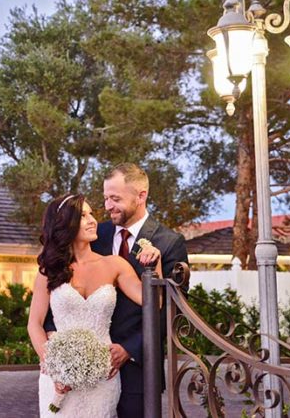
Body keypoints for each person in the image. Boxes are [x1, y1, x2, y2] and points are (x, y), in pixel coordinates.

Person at [44, 163, 189, 417]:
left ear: (141, 196)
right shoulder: (91, 232)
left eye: (115, 198)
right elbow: (57, 293)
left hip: (137, 370)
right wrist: (56, 355)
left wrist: (129, 348)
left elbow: (170, 310)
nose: (108, 206)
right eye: (105, 198)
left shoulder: (169, 242)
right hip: (75, 369)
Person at [28, 194, 162, 418]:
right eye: (83, 216)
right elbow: (34, 323)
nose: (92, 220)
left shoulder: (114, 265)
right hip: (57, 378)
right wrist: (53, 366)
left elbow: (153, 303)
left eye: (91, 214)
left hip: (103, 377)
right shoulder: (49, 269)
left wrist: (155, 265)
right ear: (65, 224)